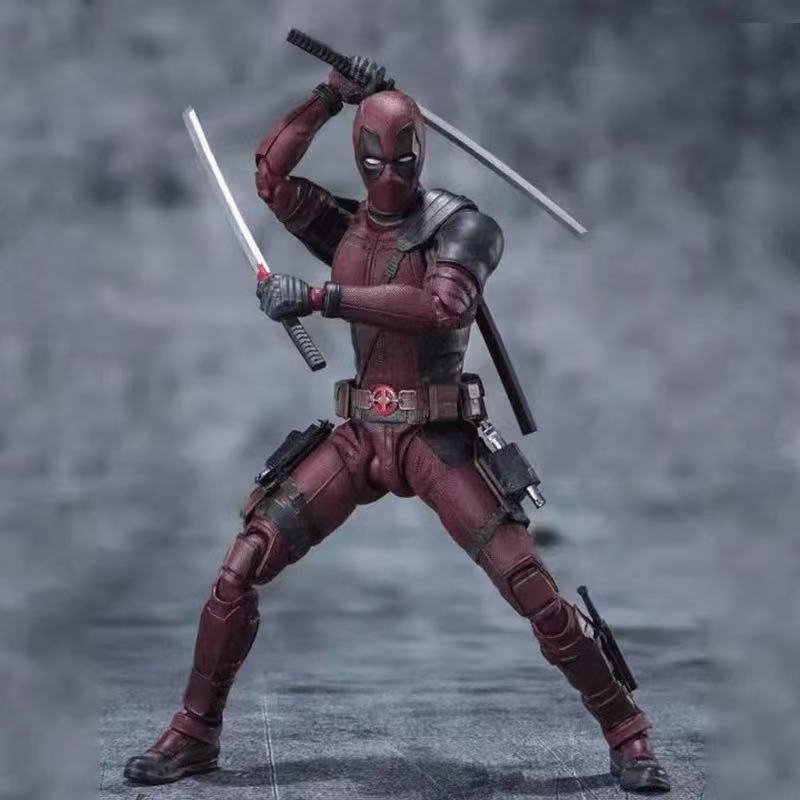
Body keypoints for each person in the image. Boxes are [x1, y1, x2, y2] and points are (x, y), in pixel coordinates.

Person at [124, 61, 670, 793]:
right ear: (358, 153)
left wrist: (320, 296)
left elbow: (440, 308)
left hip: (434, 437)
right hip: (359, 435)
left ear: (422, 150)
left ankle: (628, 733)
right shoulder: (347, 229)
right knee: (243, 562)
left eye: (401, 159)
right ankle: (194, 733)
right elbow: (270, 178)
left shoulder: (466, 228)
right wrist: (327, 95)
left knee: (529, 584)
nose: (388, 173)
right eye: (374, 159)